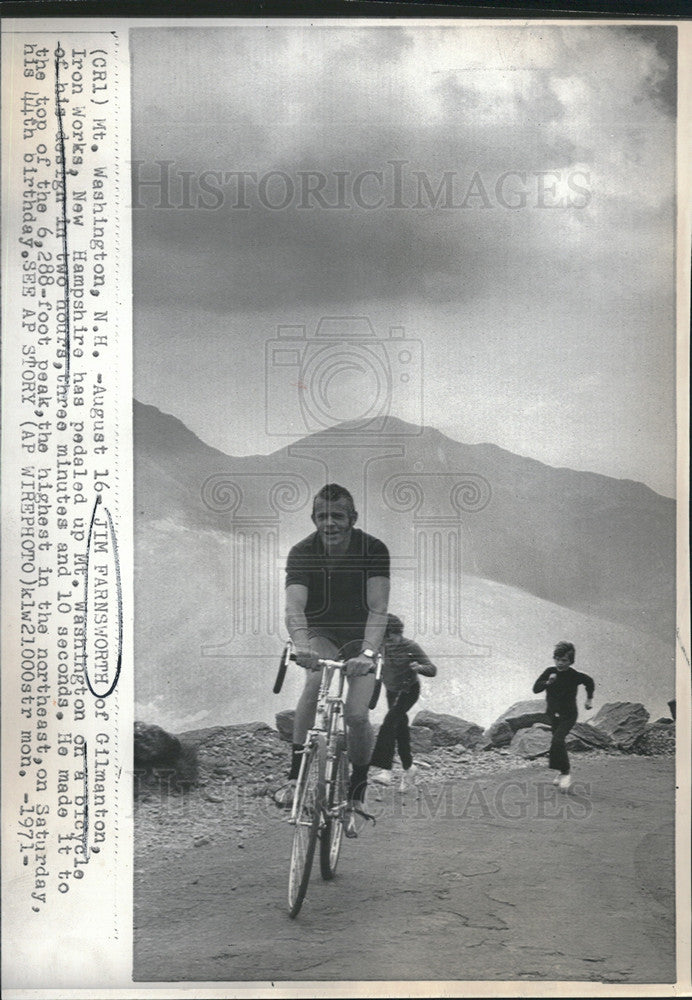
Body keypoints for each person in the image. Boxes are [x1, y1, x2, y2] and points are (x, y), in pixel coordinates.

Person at [277, 483, 389, 836]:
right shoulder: (302, 552)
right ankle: (296, 779)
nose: (330, 523)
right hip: (321, 633)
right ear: (313, 519)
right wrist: (300, 644)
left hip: (362, 636)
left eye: (337, 516)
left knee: (357, 714)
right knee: (315, 683)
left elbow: (378, 608)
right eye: (322, 516)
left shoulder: (373, 549)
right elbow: (294, 607)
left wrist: (369, 653)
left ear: (352, 519)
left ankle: (357, 791)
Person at [369, 614, 437, 792]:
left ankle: (385, 770)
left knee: (389, 723)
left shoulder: (411, 646)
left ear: (397, 633)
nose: (388, 642)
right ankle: (409, 768)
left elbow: (432, 669)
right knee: (400, 729)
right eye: (384, 638)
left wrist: (419, 667)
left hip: (408, 691)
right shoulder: (381, 645)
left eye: (390, 637)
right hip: (391, 692)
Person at [533, 641, 594, 792]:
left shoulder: (574, 675)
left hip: (569, 715)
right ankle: (560, 772)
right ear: (554, 658)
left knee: (557, 740)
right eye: (558, 659)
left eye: (564, 660)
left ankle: (566, 773)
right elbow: (535, 689)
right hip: (553, 714)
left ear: (571, 661)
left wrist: (589, 699)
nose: (560, 663)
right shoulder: (549, 671)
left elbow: (589, 682)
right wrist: (548, 682)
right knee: (556, 744)